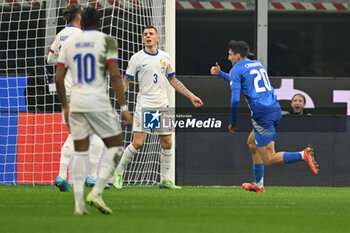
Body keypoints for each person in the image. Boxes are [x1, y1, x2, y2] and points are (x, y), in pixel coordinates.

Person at [210, 40, 319, 193]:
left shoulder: (236, 69)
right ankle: (259, 185)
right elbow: (243, 81)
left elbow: (235, 100)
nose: (228, 58)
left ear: (238, 56)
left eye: (230, 55)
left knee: (269, 159)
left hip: (262, 115)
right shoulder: (257, 64)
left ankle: (303, 154)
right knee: (252, 143)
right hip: (274, 109)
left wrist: (233, 122)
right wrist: (220, 74)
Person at [55, 6, 132, 214]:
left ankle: (79, 202)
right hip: (97, 100)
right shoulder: (106, 42)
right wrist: (124, 108)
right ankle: (96, 190)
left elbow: (58, 77)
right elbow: (115, 77)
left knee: (79, 146)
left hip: (77, 99)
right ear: (99, 23)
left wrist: (65, 106)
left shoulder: (69, 42)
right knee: (115, 144)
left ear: (82, 20)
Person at [112, 26, 203, 189]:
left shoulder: (165, 57)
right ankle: (118, 173)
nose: (148, 36)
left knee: (167, 143)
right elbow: (127, 81)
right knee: (138, 143)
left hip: (162, 105)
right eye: (145, 34)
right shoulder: (137, 58)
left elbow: (173, 80)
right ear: (142, 39)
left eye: (151, 34)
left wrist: (191, 96)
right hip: (145, 105)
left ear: (157, 38)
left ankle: (165, 179)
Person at [47, 4, 109, 192]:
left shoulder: (61, 35)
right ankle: (92, 178)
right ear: (80, 18)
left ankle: (61, 175)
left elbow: (50, 59)